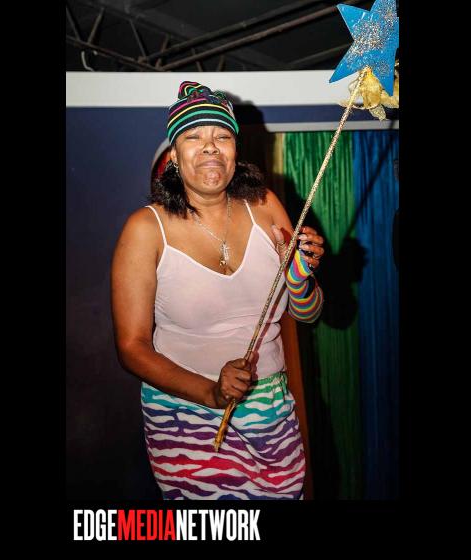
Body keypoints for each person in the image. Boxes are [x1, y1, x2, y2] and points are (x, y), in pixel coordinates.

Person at [111, 81, 325, 500]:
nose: (210, 146)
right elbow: (131, 348)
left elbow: (308, 313)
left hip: (269, 412)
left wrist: (301, 277)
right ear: (174, 156)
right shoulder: (145, 229)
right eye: (194, 136)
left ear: (234, 151)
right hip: (186, 416)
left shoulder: (265, 206)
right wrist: (211, 392)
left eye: (222, 136)